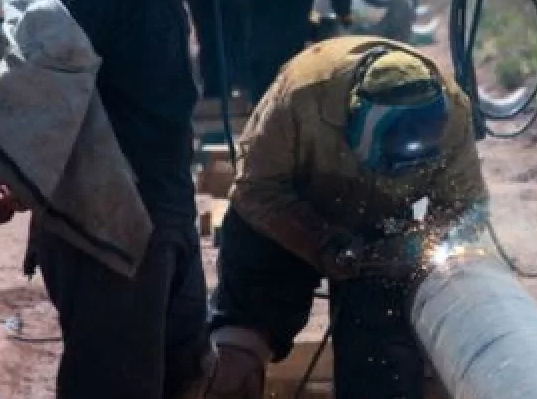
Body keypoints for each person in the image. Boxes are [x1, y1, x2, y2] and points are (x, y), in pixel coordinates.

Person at [0, 0, 321, 399]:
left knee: (184, 374)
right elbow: (41, 76)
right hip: (108, 226)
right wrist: (17, 181)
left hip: (159, 216)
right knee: (116, 385)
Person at [203, 37, 490, 399]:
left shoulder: (455, 117)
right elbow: (256, 191)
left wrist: (411, 249)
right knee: (240, 344)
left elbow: (466, 207)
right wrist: (322, 242)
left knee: (380, 357)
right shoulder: (300, 98)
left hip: (378, 223)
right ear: (358, 121)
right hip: (282, 212)